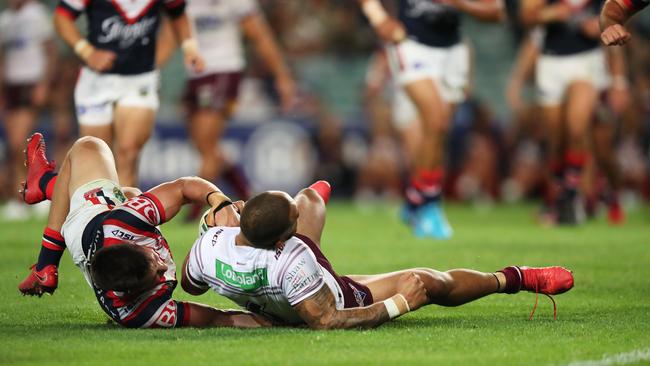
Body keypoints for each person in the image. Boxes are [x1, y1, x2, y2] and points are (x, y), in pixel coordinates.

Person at [182, 182, 574, 329]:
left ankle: (311, 199)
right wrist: (400, 304)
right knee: (428, 281)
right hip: (326, 294)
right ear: (288, 238)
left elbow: (191, 285)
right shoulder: (296, 255)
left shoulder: (206, 245)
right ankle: (515, 278)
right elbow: (327, 321)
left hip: (280, 288)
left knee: (311, 198)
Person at [17, 133, 268, 328]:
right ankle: (43, 193)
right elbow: (216, 318)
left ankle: (45, 261)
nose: (163, 266)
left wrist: (219, 200)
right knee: (117, 181)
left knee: (90, 148)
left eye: (153, 259)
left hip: (89, 220)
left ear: (134, 243)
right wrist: (269, 321)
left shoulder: (125, 222)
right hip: (90, 240)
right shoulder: (143, 313)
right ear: (131, 293)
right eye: (156, 275)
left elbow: (182, 188)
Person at [357, 0, 505, 239]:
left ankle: (416, 198)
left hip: (454, 51)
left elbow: (496, 11)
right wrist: (378, 17)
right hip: (410, 43)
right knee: (436, 122)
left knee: (438, 133)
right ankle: (429, 203)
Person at [157, 0, 296, 213]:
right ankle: (246, 193)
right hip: (195, 75)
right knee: (205, 147)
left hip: (224, 70)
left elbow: (260, 35)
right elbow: (169, 37)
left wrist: (282, 76)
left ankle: (198, 213)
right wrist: (149, 73)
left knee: (207, 144)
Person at [53, 0, 204, 187]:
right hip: (96, 80)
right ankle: (98, 212)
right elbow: (62, 17)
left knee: (129, 153)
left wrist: (190, 48)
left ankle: (123, 214)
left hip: (139, 78)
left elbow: (178, 14)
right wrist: (87, 52)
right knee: (95, 155)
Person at [520, 0, 628, 224]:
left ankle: (572, 195)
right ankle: (564, 196)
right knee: (556, 141)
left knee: (579, 129)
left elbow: (615, 22)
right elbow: (527, 17)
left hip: (587, 63)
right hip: (551, 63)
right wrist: (552, 13)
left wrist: (619, 81)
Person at [0, 0, 56, 220]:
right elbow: (3, 58)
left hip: (31, 83)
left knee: (18, 142)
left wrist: (44, 83)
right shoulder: (5, 19)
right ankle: (27, 195)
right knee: (17, 147)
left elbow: (51, 51)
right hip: (12, 86)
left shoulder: (36, 15)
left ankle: (28, 195)